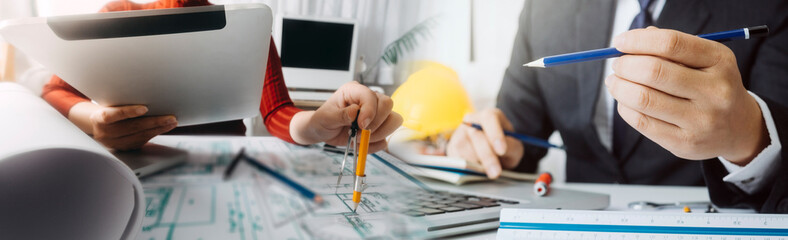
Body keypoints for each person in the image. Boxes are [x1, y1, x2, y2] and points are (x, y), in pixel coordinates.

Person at [447, 0, 788, 212]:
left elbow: (780, 136)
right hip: (578, 223)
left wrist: (748, 135)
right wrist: (488, 144)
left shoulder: (768, 7)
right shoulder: (545, 7)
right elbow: (518, 131)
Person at [42, 0, 402, 153]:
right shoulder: (115, 15)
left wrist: (319, 124)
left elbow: (277, 112)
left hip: (228, 164)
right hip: (137, 167)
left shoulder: (249, 25)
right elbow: (53, 93)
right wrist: (94, 121)